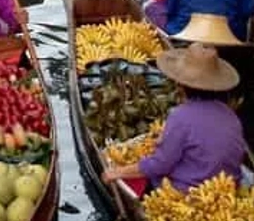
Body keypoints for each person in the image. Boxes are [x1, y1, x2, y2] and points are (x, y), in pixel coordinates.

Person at [102, 44, 245, 193]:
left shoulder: (181, 116)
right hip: (229, 187)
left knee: (146, 177)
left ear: (181, 85)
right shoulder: (230, 114)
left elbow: (160, 165)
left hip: (190, 193)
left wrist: (117, 172)